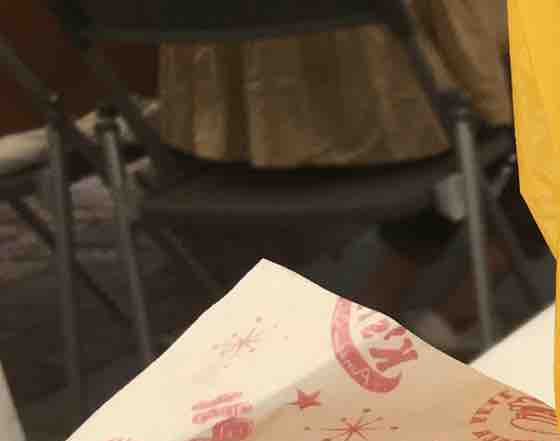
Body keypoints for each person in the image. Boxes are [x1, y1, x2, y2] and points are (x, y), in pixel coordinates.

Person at [156, 1, 513, 349]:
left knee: (457, 94)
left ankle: (379, 302)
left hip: (231, 160)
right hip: (399, 148)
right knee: (528, 81)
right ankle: (452, 311)